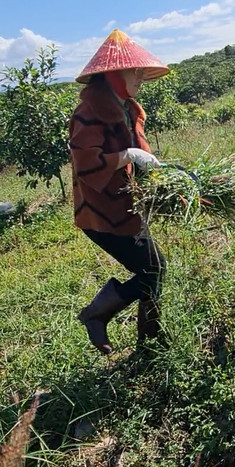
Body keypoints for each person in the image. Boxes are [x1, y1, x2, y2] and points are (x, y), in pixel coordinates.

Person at [69, 29, 170, 356]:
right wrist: (125, 156)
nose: (140, 76)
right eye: (134, 70)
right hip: (100, 213)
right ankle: (98, 315)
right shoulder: (89, 111)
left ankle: (151, 341)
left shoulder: (129, 108)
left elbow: (139, 156)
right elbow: (87, 165)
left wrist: (156, 175)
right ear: (114, 73)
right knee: (153, 268)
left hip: (126, 207)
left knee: (153, 268)